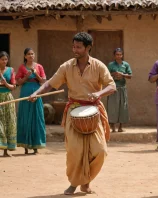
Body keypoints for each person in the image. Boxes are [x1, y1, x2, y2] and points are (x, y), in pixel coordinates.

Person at [29, 32, 116, 195]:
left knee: (100, 151)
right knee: (75, 151)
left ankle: (86, 181)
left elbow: (112, 86)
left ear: (88, 47)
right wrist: (37, 93)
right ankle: (75, 183)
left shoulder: (98, 66)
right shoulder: (67, 66)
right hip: (73, 111)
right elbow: (49, 83)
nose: (74, 49)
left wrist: (98, 94)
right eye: (73, 46)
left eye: (78, 47)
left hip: (94, 111)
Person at [16, 48, 46, 154]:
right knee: (25, 117)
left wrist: (36, 74)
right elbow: (18, 82)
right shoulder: (21, 67)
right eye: (28, 54)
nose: (31, 56)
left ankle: (36, 147)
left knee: (37, 117)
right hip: (26, 92)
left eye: (32, 54)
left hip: (37, 92)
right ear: (25, 56)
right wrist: (26, 77)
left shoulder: (39, 67)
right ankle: (25, 146)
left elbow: (43, 81)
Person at [107, 48, 132, 132]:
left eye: (120, 54)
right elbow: (106, 76)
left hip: (122, 88)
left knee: (123, 107)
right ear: (114, 55)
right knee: (112, 107)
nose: (119, 56)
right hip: (113, 88)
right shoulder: (111, 65)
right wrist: (114, 74)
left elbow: (130, 76)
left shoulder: (126, 64)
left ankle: (120, 127)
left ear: (122, 55)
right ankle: (112, 127)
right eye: (117, 54)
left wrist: (123, 75)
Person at [0, 51, 17, 157]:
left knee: (8, 122)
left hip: (8, 98)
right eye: (2, 59)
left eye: (6, 59)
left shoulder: (11, 70)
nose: (4, 61)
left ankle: (6, 151)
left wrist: (5, 83)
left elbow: (13, 87)